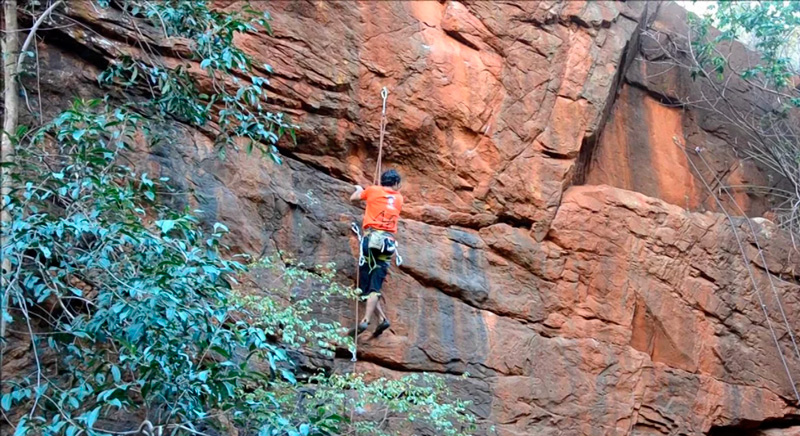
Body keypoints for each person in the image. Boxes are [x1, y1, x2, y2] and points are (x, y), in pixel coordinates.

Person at [348, 169, 403, 338]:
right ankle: (381, 318)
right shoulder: (399, 198)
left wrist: (359, 189)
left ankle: (365, 319)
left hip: (371, 240)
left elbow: (354, 198)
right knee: (375, 285)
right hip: (387, 243)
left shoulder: (373, 190)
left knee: (366, 285)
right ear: (396, 184)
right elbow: (388, 198)